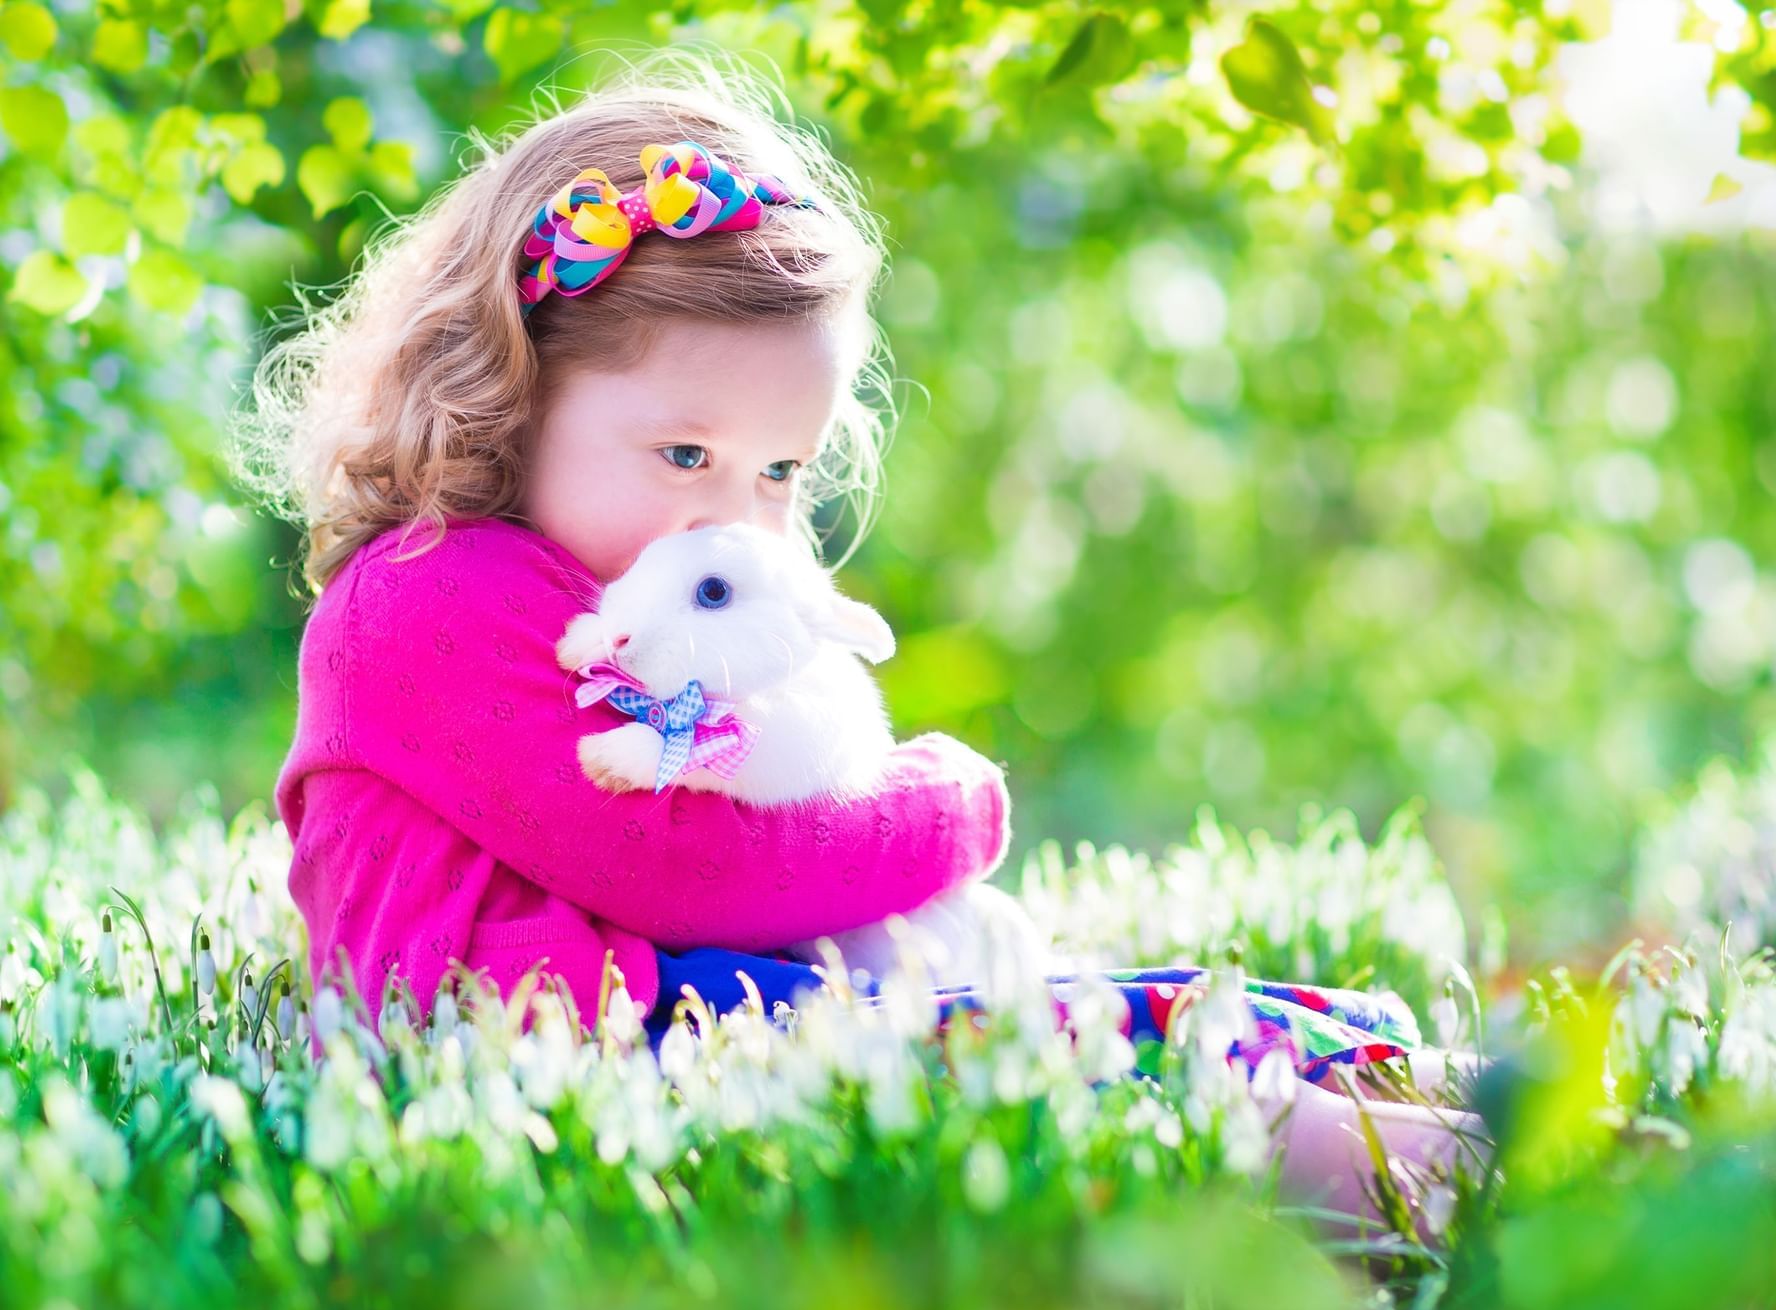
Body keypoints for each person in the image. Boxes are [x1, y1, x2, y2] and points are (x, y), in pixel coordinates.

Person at [235, 48, 1487, 1231]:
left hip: (667, 1013)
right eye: (687, 454)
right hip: (566, 1049)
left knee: (1120, 1021)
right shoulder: (427, 597)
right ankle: (1443, 1175)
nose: (738, 512)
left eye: (783, 469)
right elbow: (687, 863)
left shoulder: (618, 592)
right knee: (1078, 1081)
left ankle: (1468, 1108)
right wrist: (951, 807)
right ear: (506, 390)